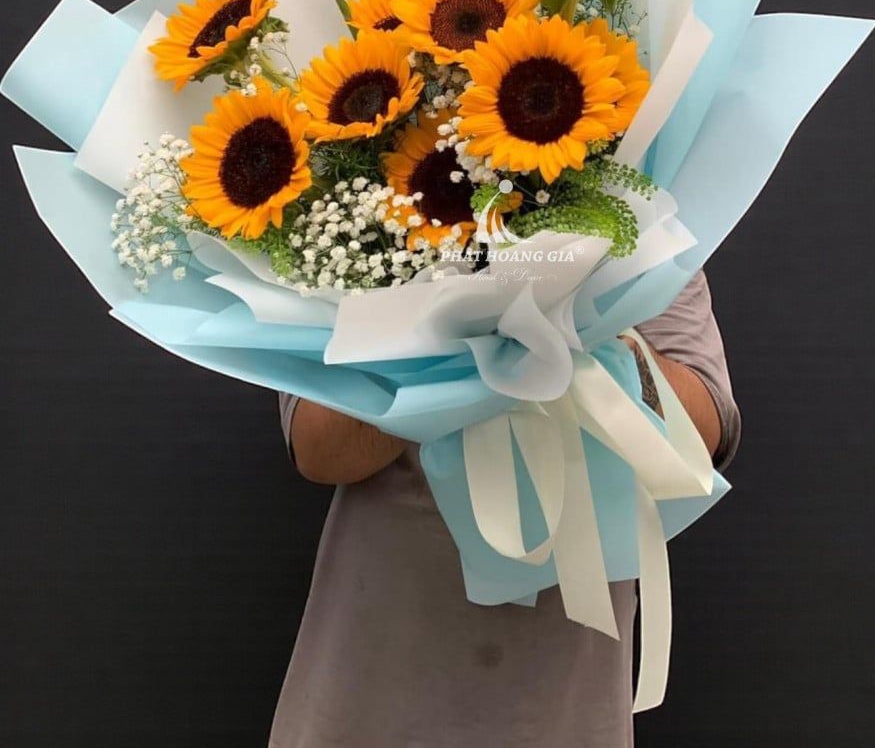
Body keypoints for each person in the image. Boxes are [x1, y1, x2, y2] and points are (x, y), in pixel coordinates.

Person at [269, 269, 740, 748]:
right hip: (376, 656)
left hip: (565, 667)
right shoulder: (360, 236)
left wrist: (590, 334)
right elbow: (321, 451)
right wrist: (451, 323)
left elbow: (703, 434)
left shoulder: (644, 245)